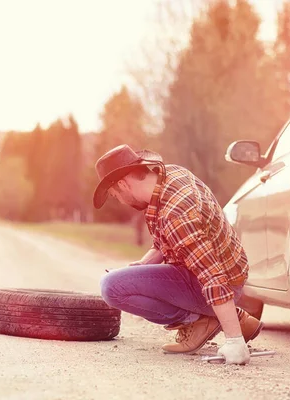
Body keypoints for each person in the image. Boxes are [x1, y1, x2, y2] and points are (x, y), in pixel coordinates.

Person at [94, 144, 262, 365]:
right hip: (227, 273)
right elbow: (167, 242)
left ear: (124, 184)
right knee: (122, 280)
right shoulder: (170, 176)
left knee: (112, 288)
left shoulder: (177, 214)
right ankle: (230, 318)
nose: (120, 201)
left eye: (116, 195)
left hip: (220, 283)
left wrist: (235, 341)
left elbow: (212, 276)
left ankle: (199, 320)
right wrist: (144, 264)